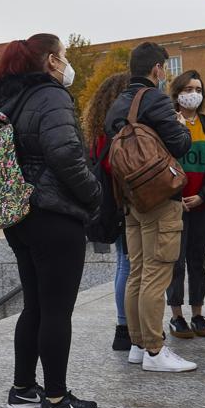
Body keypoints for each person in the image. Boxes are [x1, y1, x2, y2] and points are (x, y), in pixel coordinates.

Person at [0, 33, 102, 408]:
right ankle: (56, 400)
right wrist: (94, 195)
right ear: (52, 60)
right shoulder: (50, 96)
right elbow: (66, 152)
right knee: (57, 310)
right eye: (65, 56)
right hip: (54, 214)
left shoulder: (10, 98)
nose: (66, 63)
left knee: (35, 306)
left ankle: (22, 389)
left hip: (22, 216)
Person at [104, 42, 196, 373]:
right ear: (156, 68)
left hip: (132, 201)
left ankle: (137, 344)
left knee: (138, 273)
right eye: (164, 68)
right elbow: (180, 144)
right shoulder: (154, 99)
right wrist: (180, 125)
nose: (165, 74)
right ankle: (156, 351)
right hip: (160, 198)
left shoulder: (117, 105)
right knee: (157, 274)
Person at [166, 71, 205, 339]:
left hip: (203, 204)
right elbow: (163, 162)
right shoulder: (167, 123)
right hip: (175, 205)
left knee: (197, 261)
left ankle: (198, 312)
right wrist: (176, 197)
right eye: (188, 88)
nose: (193, 93)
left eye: (198, 89)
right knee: (175, 263)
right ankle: (176, 316)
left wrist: (203, 195)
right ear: (177, 93)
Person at [84, 72, 132, 351]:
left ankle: (123, 325)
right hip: (122, 204)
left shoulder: (97, 131)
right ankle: (124, 326)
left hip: (108, 206)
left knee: (122, 264)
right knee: (127, 263)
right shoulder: (115, 131)